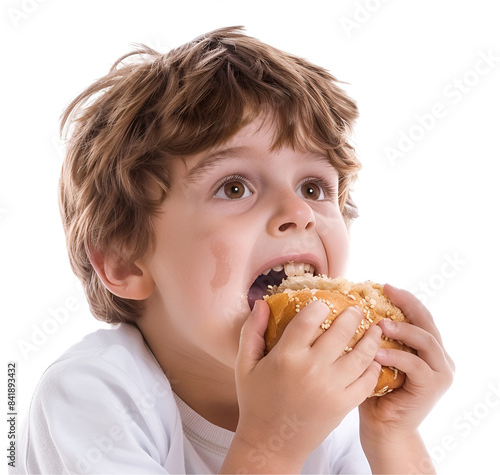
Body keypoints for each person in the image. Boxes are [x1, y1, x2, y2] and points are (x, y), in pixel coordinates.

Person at [13, 26, 454, 474]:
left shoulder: (333, 402)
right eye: (235, 187)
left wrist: (392, 434)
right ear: (125, 261)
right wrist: (272, 443)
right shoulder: (94, 392)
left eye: (313, 186)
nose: (298, 211)